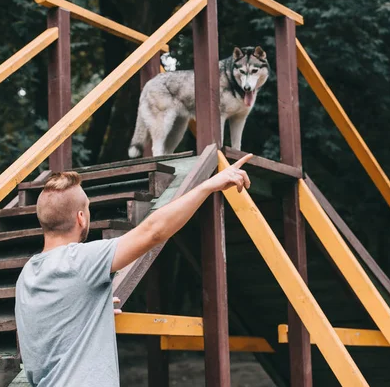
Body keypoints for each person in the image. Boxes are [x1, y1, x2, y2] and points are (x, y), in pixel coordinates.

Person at [14, 153, 253, 387]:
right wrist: (208, 186)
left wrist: (89, 311)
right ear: (81, 218)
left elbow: (48, 327)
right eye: (87, 209)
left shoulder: (27, 275)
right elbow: (153, 232)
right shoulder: (82, 259)